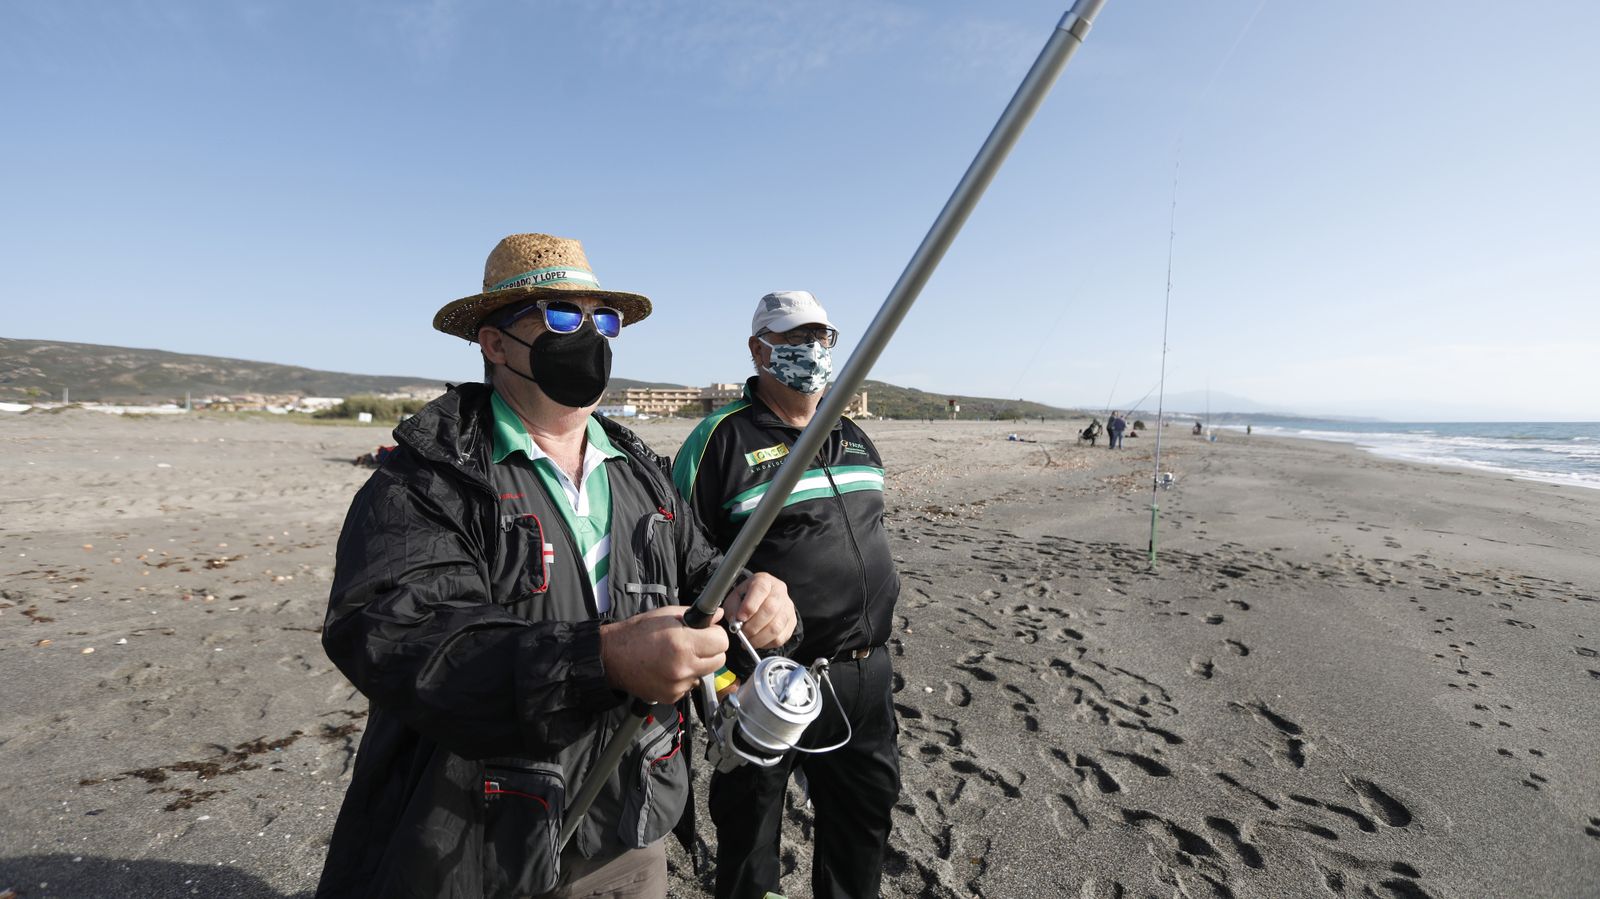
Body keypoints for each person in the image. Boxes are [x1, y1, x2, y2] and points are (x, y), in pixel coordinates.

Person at [316, 234, 798, 899]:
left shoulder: (643, 475)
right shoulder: (428, 478)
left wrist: (753, 598)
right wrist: (600, 659)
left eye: (604, 320)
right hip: (477, 842)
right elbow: (398, 637)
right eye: (563, 316)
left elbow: (701, 575)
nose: (591, 337)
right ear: (495, 343)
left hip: (630, 827)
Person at [673, 291, 902, 899]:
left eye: (822, 338)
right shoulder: (719, 440)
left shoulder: (854, 434)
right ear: (759, 349)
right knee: (750, 843)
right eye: (795, 338)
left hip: (865, 674)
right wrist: (721, 686)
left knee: (863, 830)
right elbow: (675, 558)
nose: (813, 350)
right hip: (766, 683)